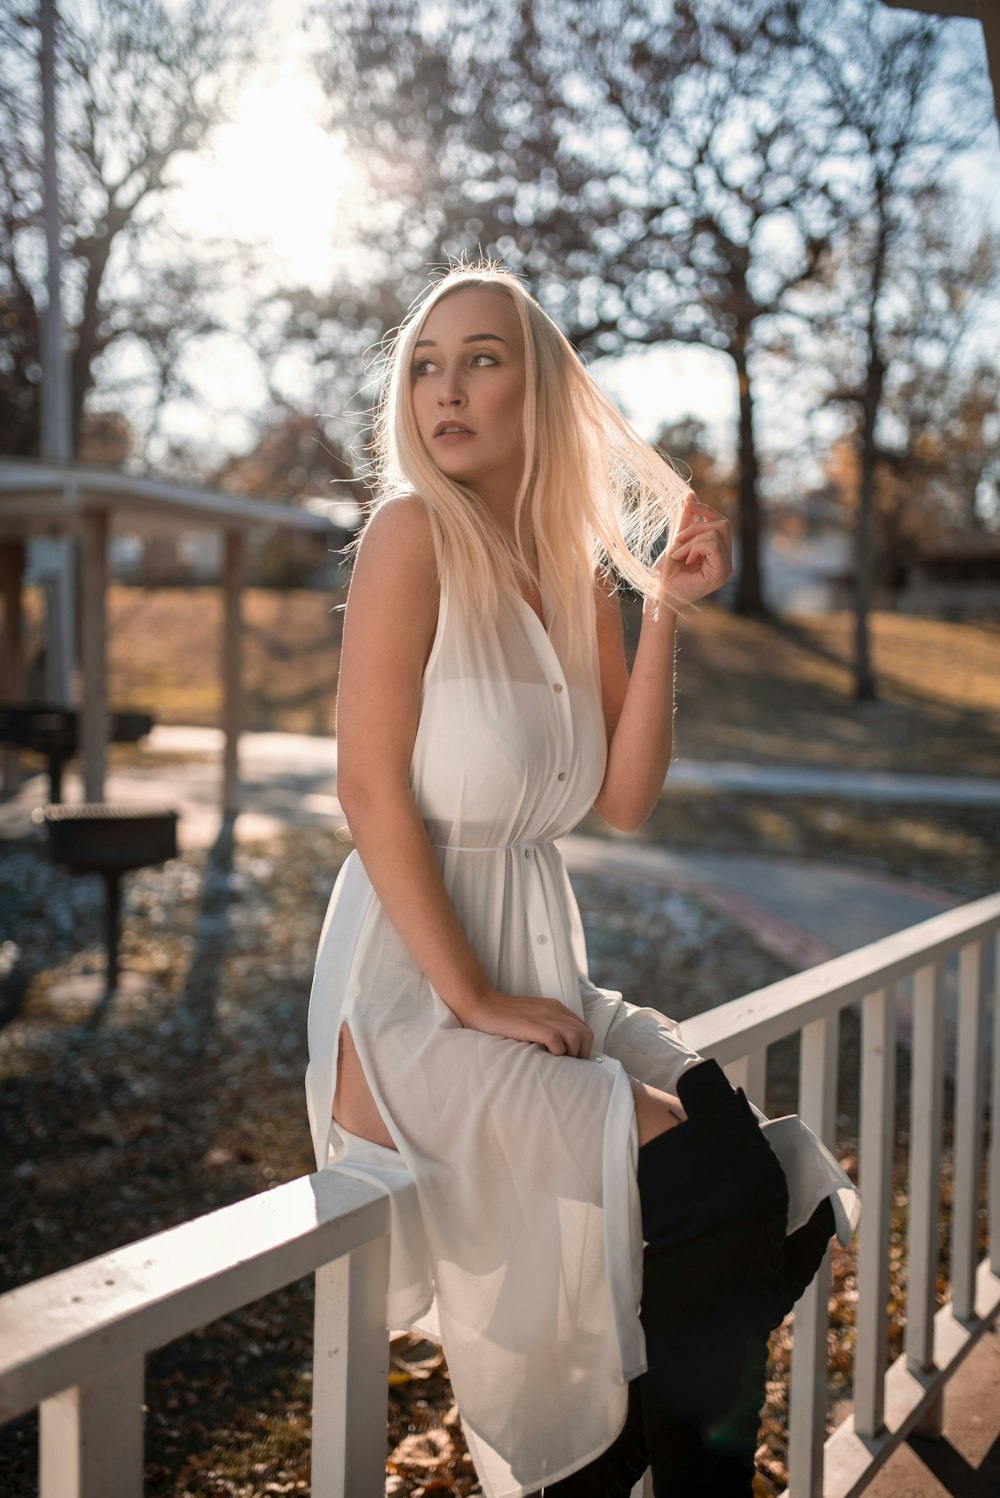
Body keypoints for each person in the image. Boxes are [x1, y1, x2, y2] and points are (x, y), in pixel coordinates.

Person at [304, 261, 860, 1498]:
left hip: (535, 963)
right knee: (686, 1180)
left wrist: (661, 608)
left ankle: (650, 1445)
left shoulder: (566, 565)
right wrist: (481, 1001)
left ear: (538, 385)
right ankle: (659, 1460)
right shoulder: (408, 533)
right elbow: (369, 792)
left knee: (734, 1159)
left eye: (482, 357)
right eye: (426, 362)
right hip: (411, 998)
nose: (445, 386)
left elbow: (621, 795)